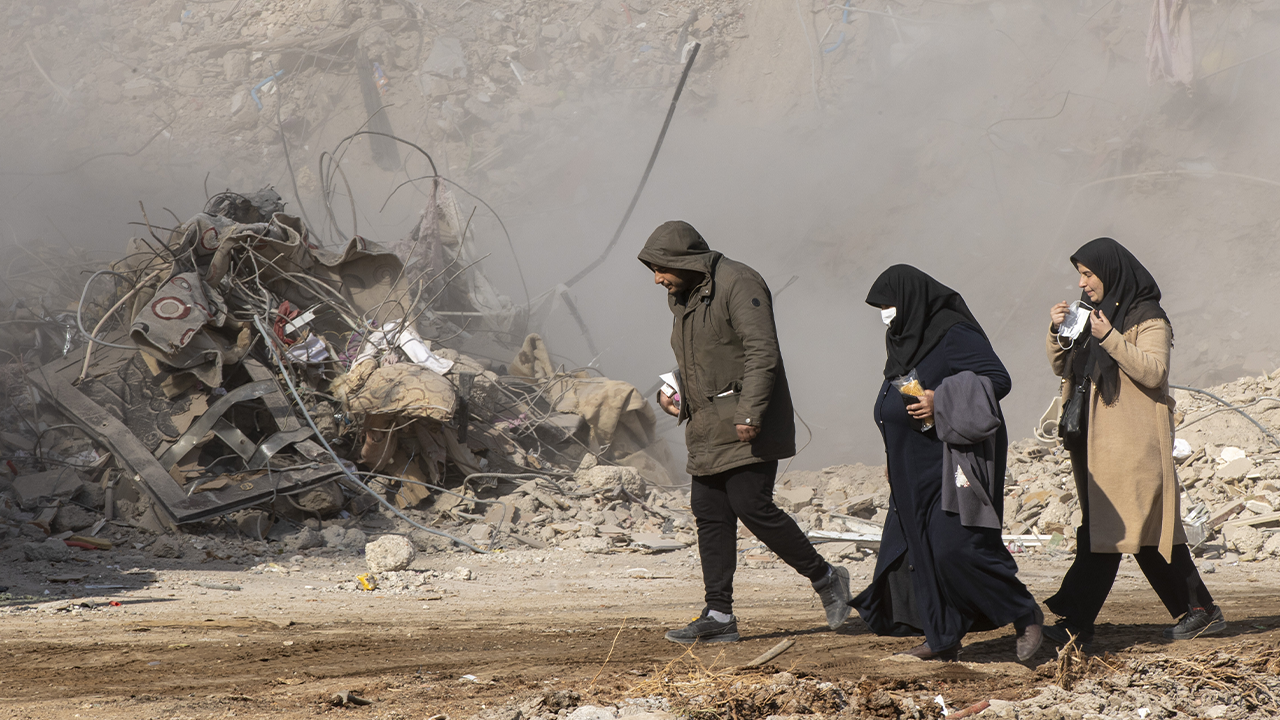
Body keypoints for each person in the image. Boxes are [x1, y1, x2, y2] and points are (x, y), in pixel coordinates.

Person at [637, 220, 852, 645]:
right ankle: (718, 615)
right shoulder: (682, 296)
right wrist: (675, 390)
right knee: (710, 514)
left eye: (661, 268)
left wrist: (750, 414)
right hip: (706, 425)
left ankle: (827, 578)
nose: (658, 279)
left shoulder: (738, 282)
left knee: (751, 505)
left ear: (686, 261)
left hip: (745, 422)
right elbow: (703, 356)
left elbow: (761, 352)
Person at [852, 265, 1043, 662]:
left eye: (889, 304)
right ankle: (941, 636)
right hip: (911, 465)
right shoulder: (902, 338)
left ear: (911, 300)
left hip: (952, 460)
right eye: (880, 307)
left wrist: (942, 399)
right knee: (921, 552)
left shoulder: (952, 333)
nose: (885, 313)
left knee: (955, 547)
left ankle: (1023, 612)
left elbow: (997, 379)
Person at [1042, 237, 1225, 648]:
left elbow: (1153, 372)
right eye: (1080, 276)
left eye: (1089, 275)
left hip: (1131, 444)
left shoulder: (1148, 318)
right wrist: (1058, 331)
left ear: (1111, 272)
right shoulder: (1094, 315)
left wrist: (1109, 337)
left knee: (1109, 531)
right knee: (1138, 533)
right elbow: (1063, 364)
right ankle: (1200, 611)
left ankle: (1075, 624)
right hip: (1091, 441)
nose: (1083, 285)